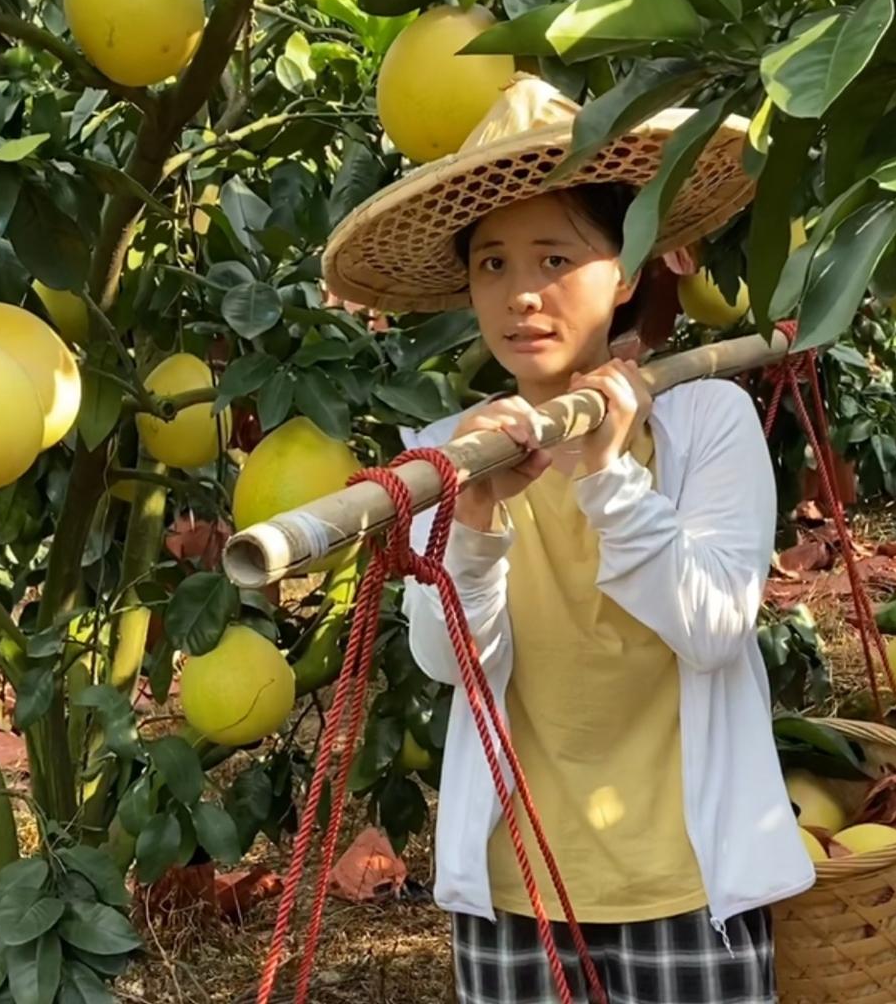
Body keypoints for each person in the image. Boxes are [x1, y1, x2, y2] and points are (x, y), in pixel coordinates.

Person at [323, 74, 814, 1004]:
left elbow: (713, 625)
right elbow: (446, 660)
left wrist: (603, 475)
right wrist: (475, 518)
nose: (523, 296)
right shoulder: (446, 453)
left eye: (556, 259)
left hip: (686, 883)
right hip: (521, 890)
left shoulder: (702, 418)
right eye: (494, 266)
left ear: (625, 271)